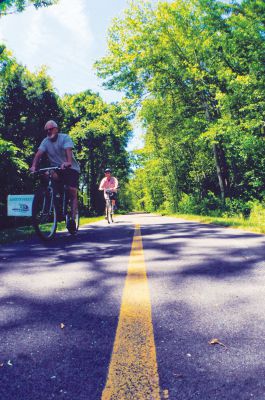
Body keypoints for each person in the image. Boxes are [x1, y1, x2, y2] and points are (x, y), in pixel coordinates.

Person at [30, 120, 80, 232]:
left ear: (56, 129)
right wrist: (33, 166)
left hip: (71, 168)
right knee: (47, 174)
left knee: (72, 191)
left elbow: (68, 151)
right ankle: (52, 197)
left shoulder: (65, 138)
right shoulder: (45, 141)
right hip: (57, 169)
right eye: (47, 130)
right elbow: (38, 154)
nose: (49, 131)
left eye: (51, 128)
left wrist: (68, 162)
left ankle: (72, 219)